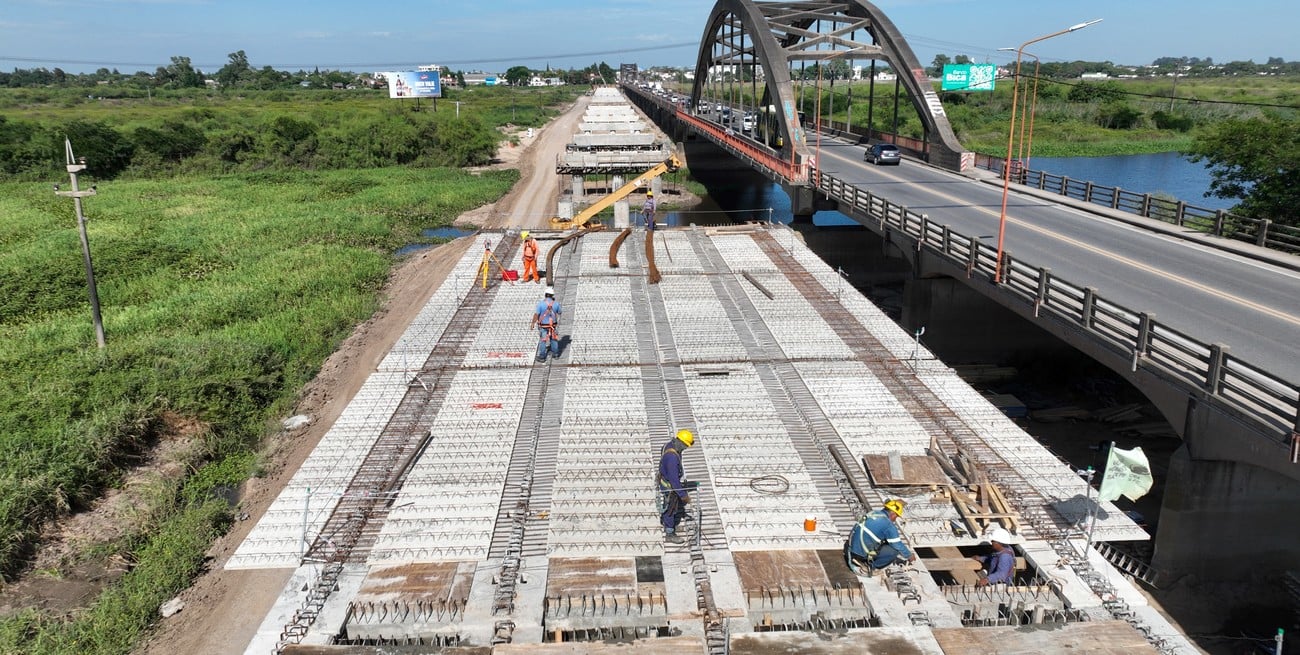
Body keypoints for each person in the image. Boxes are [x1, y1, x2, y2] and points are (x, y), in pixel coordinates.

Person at [846, 499, 916, 574]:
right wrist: (909, 555)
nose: (895, 519)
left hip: (851, 547)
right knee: (894, 551)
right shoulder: (888, 525)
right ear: (893, 514)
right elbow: (897, 544)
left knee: (885, 540)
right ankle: (870, 567)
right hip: (860, 554)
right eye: (896, 516)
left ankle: (861, 556)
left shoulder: (874, 513)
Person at [657, 428, 695, 543]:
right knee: (671, 508)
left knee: (669, 506)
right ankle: (670, 533)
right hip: (669, 486)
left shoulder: (668, 445)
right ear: (681, 442)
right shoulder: (672, 458)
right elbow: (674, 481)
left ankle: (666, 521)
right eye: (685, 446)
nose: (685, 448)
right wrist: (684, 496)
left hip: (665, 480)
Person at [531, 286, 561, 362]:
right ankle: (555, 354)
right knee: (554, 339)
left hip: (543, 325)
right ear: (552, 295)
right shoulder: (556, 304)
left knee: (543, 340)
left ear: (545, 294)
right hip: (553, 325)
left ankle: (542, 356)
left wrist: (533, 323)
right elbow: (559, 312)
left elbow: (536, 314)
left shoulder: (540, 304)